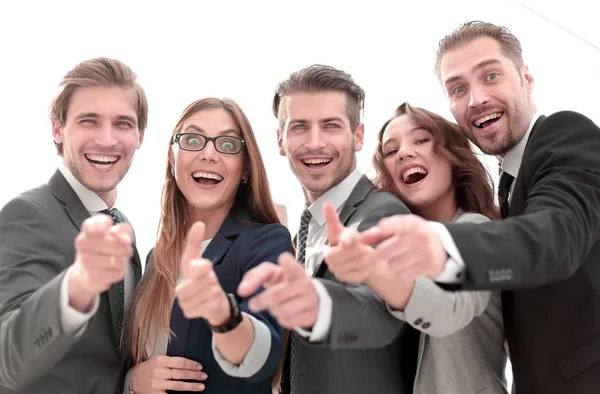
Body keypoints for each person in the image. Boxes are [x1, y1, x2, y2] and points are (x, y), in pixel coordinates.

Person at [360, 21, 600, 393]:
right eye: (458, 88)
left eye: (490, 75)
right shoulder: (507, 192)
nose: (475, 99)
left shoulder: (565, 135)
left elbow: (556, 236)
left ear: (527, 79)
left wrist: (441, 245)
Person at [238, 65, 418, 394]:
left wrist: (318, 303)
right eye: (299, 127)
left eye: (331, 126)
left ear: (358, 135)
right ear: (281, 140)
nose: (315, 142)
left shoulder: (384, 216)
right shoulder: (300, 235)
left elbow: (378, 313)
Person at [321, 102, 508, 393]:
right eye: (391, 151)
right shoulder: (391, 246)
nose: (404, 153)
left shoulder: (475, 230)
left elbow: (449, 307)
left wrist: (374, 270)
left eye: (421, 140)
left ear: (452, 156)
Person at [122, 98, 292, 394]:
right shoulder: (154, 258)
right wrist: (132, 382)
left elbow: (262, 356)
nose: (209, 153)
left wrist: (222, 314)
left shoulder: (267, 242)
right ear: (173, 159)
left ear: (246, 169)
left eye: (227, 145)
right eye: (192, 139)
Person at [0, 58, 147, 393]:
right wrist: (77, 286)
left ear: (140, 136)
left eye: (122, 124)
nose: (107, 140)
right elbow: (6, 359)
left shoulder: (122, 226)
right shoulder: (28, 214)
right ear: (58, 128)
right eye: (89, 121)